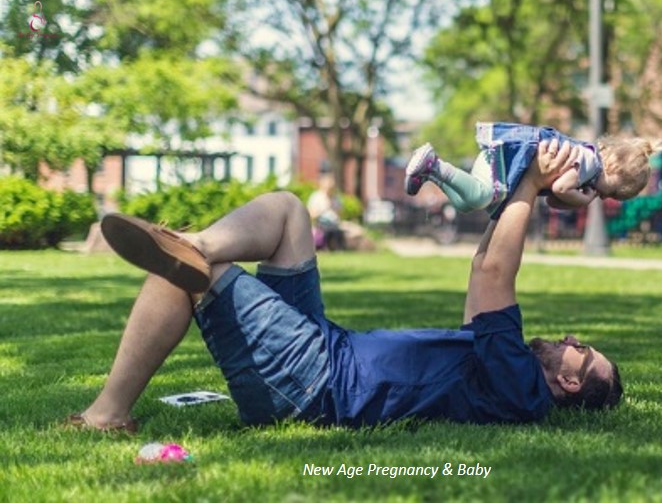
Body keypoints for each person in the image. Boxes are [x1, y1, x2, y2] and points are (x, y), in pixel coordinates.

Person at [68, 139, 622, 433]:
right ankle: (199, 245)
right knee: (288, 211)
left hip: (315, 384)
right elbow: (485, 267)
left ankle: (107, 413)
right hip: (324, 349)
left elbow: (500, 273)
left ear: (571, 385)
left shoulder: (520, 389)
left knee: (193, 278)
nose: (572, 340)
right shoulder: (503, 367)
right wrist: (534, 190)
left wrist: (531, 181)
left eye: (582, 351)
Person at [405, 121, 660, 218]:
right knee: (481, 197)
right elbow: (560, 188)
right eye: (612, 192)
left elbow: (553, 200)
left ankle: (430, 174)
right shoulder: (589, 162)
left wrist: (576, 201)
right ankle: (435, 163)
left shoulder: (587, 172)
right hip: (504, 160)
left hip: (501, 161)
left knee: (466, 204)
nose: (605, 198)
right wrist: (581, 198)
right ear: (612, 165)